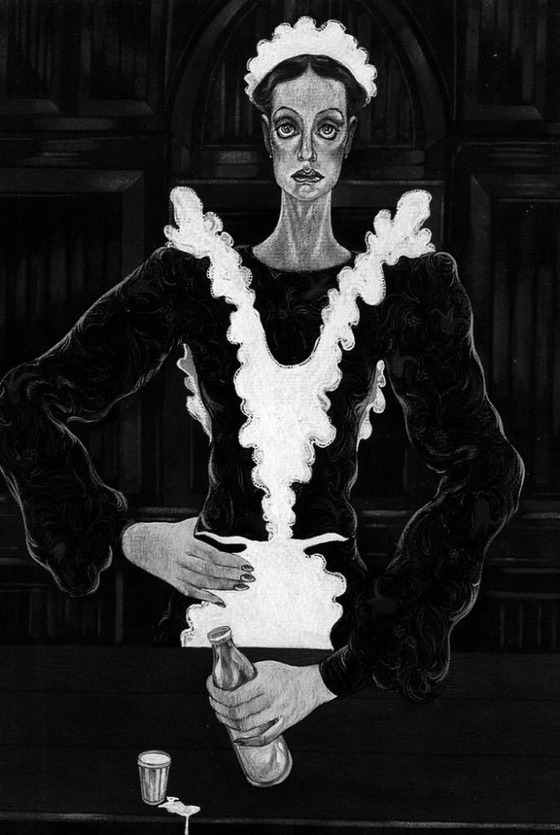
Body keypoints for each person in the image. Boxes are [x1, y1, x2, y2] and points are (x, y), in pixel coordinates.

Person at [0, 18, 523, 749]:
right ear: (267, 139)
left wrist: (323, 680)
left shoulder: (405, 286)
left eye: (327, 128)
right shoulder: (191, 276)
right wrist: (127, 535)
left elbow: (489, 470)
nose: (307, 152)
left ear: (349, 139)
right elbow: (19, 403)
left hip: (335, 644)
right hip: (206, 622)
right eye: (288, 127)